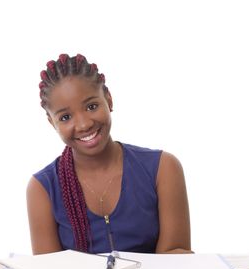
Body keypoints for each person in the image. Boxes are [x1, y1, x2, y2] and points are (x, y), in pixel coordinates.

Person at [27, 53, 191, 255]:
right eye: (66, 117)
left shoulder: (163, 168)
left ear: (109, 99)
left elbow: (177, 257)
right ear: (52, 122)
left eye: (92, 106)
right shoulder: (42, 188)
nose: (84, 124)